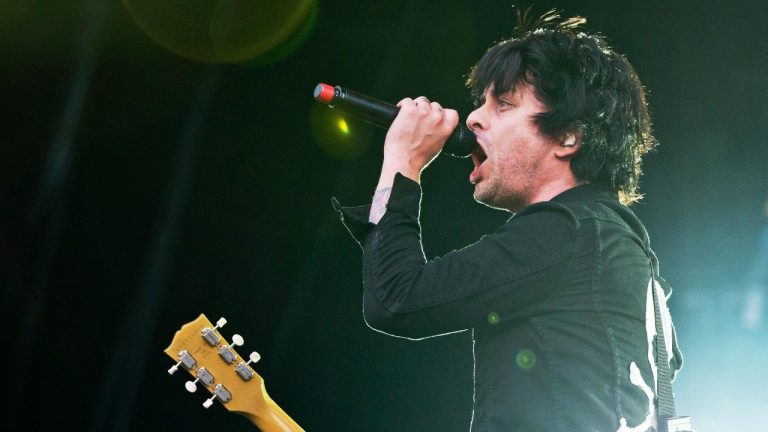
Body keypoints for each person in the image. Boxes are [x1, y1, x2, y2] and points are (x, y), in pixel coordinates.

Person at [333, 9, 683, 432]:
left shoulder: (566, 232)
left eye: (503, 104)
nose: (474, 118)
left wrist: (402, 162)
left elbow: (395, 299)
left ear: (569, 136)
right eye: (481, 103)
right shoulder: (627, 255)